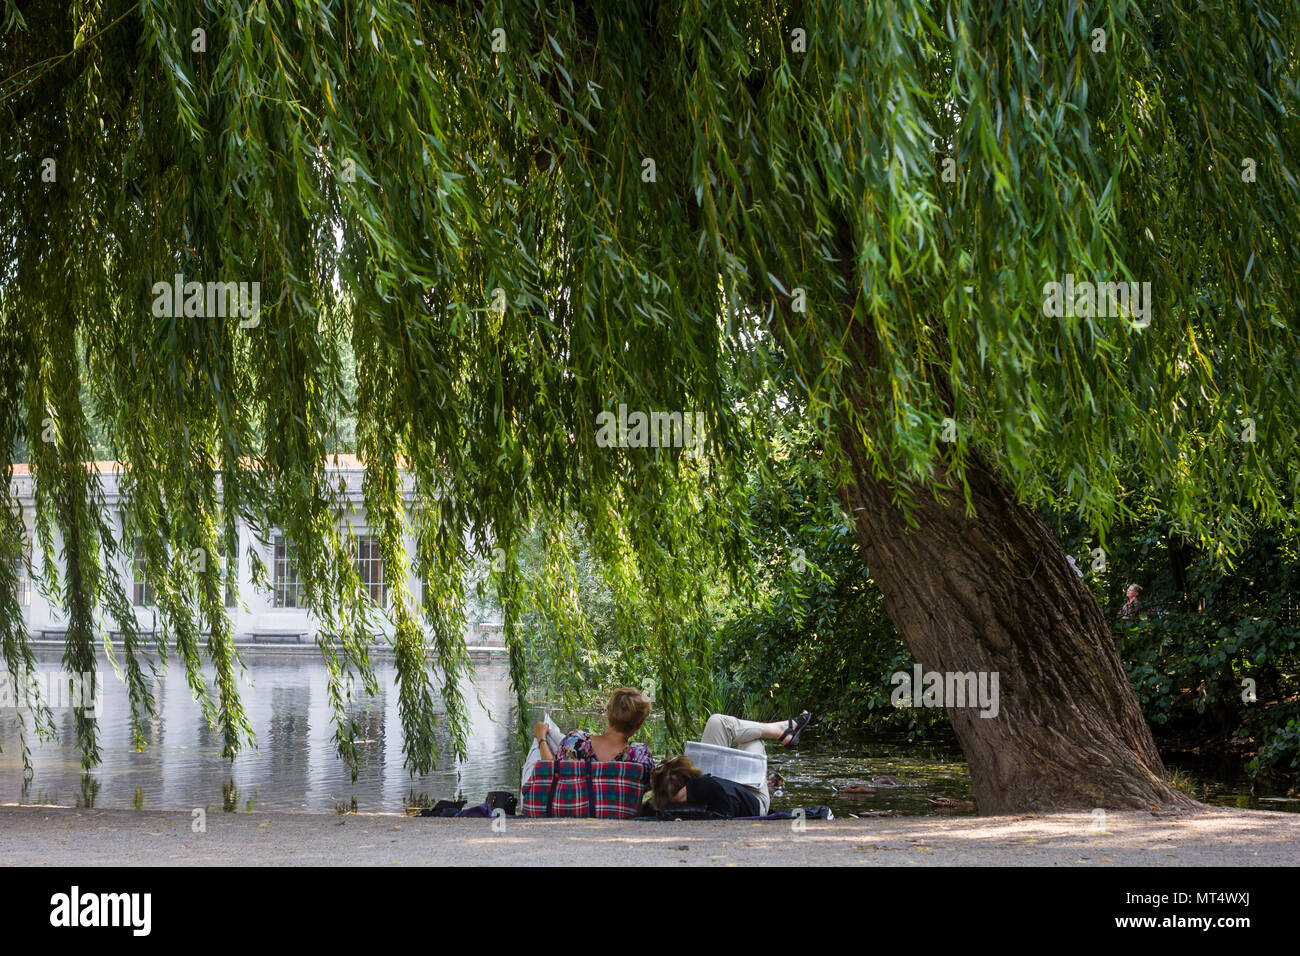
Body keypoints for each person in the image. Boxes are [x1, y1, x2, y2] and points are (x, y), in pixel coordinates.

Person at [650, 710, 810, 817]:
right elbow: (703, 784)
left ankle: (780, 730)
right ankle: (781, 729)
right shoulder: (703, 784)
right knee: (755, 740)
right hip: (754, 800)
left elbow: (649, 806)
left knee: (717, 722)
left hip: (721, 791)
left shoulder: (661, 801)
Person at [530, 687, 655, 773]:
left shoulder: (575, 742)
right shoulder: (640, 756)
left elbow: (552, 770)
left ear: (607, 714)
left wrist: (541, 738)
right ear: (639, 725)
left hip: (576, 811)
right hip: (618, 812)